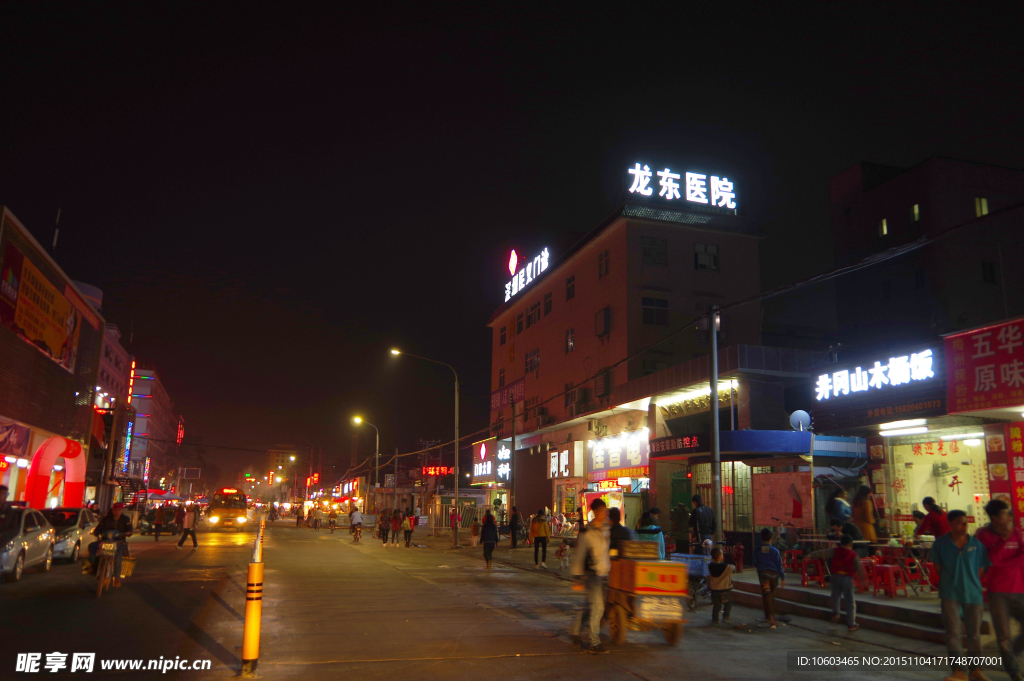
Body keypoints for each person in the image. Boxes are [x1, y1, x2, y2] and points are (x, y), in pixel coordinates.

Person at [932, 509, 991, 681]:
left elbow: (981, 568)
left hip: (973, 593)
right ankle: (959, 671)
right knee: (953, 633)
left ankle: (976, 670)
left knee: (974, 634)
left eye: (966, 522)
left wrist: (968, 579)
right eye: (959, 522)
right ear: (950, 524)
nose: (964, 526)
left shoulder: (976, 545)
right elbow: (937, 566)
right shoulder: (941, 544)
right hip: (950, 593)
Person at [976, 499, 1024, 681]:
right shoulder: (983, 535)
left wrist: (1003, 562)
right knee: (1003, 635)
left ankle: (1011, 654)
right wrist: (1003, 542)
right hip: (997, 592)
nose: (1010, 516)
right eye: (1005, 513)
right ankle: (1013, 672)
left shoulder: (1016, 532)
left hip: (1019, 588)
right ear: (994, 518)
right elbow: (989, 560)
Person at [570, 498, 611, 653]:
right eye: (601, 511)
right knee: (598, 607)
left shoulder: (607, 529)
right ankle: (594, 643)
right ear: (594, 512)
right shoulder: (587, 532)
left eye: (605, 511)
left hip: (604, 574)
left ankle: (574, 631)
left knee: (591, 607)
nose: (604, 514)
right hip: (592, 574)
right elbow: (579, 555)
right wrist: (577, 577)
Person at [806, 534, 865, 632]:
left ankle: (836, 613)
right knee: (850, 601)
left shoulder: (835, 551)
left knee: (836, 596)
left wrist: (810, 554)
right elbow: (859, 568)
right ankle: (851, 623)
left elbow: (823, 553)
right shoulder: (854, 554)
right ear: (851, 545)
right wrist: (862, 580)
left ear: (840, 544)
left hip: (835, 577)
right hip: (848, 578)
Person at [89, 503, 133, 587]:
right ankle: (93, 566)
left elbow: (130, 530)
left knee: (118, 557)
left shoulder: (126, 519)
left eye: (119, 510)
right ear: (113, 510)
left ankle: (117, 578)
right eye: (115, 510)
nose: (117, 512)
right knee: (92, 546)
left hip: (118, 542)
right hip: (105, 540)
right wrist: (96, 532)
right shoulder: (106, 519)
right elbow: (99, 528)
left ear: (122, 510)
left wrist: (125, 533)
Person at [753, 527, 785, 629]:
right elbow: (779, 565)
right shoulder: (775, 551)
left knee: (766, 595)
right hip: (774, 576)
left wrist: (760, 566)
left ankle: (770, 617)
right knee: (771, 596)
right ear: (771, 538)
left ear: (761, 537)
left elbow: (754, 562)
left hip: (764, 575)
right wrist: (783, 577)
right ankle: (770, 616)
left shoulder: (757, 550)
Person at [708, 546, 734, 625]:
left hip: (714, 589)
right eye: (722, 554)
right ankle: (726, 617)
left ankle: (715, 620)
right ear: (719, 556)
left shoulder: (710, 565)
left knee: (717, 605)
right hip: (723, 590)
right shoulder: (726, 566)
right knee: (728, 603)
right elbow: (733, 569)